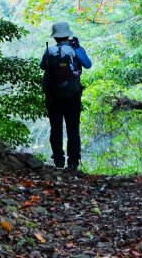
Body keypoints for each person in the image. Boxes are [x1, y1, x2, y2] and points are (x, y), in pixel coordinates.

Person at [40, 21, 92, 172]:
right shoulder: (75, 50)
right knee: (73, 128)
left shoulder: (49, 51)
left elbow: (43, 66)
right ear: (68, 35)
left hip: (53, 96)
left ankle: (58, 159)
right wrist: (76, 48)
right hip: (72, 95)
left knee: (56, 127)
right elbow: (87, 65)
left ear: (55, 37)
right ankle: (73, 161)